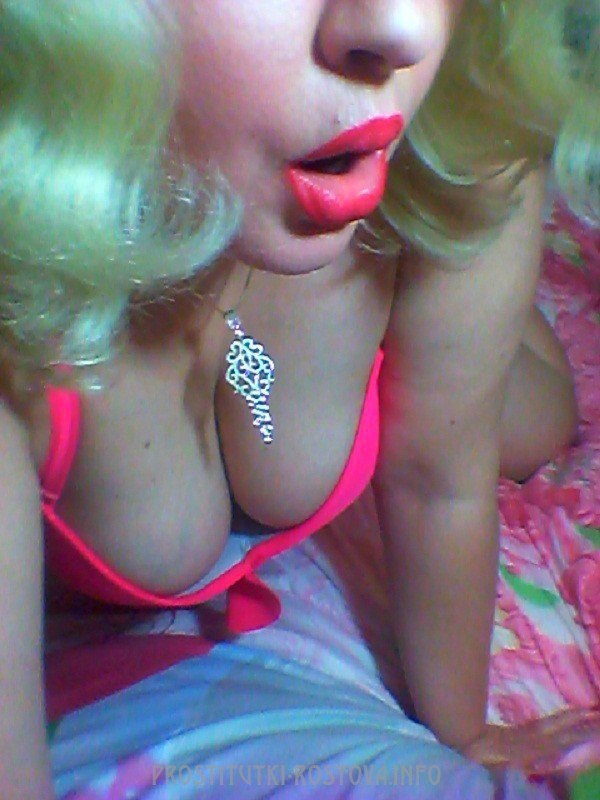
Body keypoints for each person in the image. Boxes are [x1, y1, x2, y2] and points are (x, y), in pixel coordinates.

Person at [0, 1, 597, 798]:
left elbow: (440, 479)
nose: (404, 30)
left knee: (538, 421)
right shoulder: (19, 314)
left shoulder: (458, 156)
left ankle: (500, 315)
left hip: (413, 243)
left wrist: (463, 730)